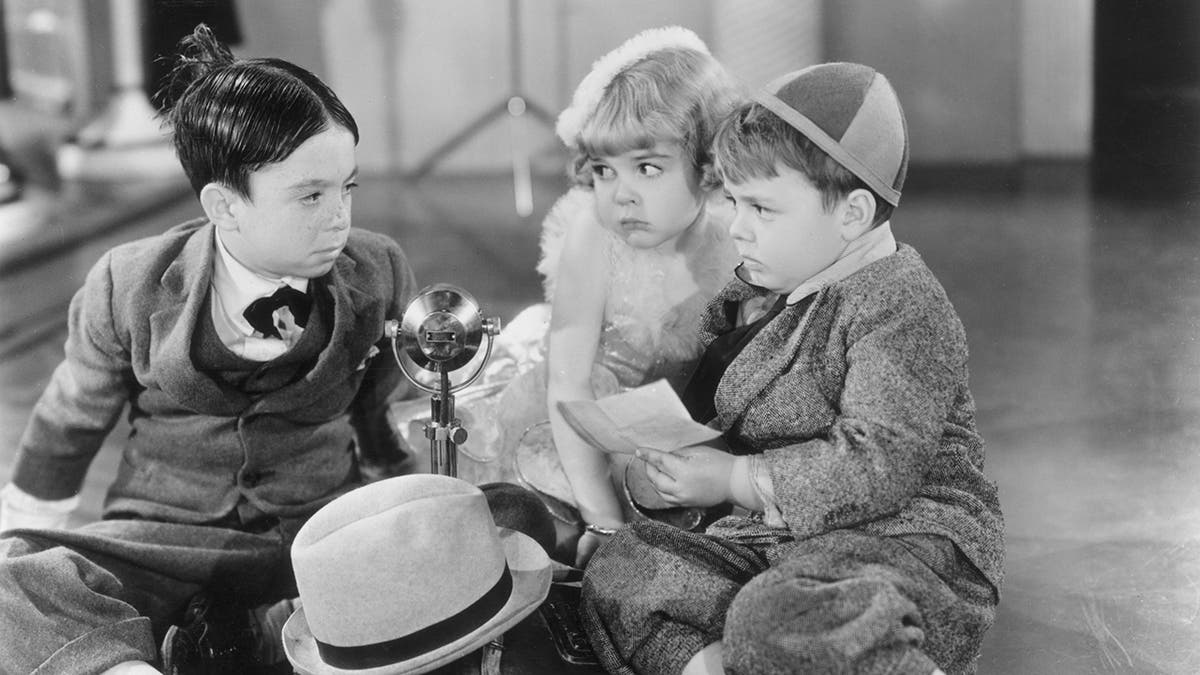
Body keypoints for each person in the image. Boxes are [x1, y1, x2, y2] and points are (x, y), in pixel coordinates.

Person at [0, 24, 419, 674]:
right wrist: (20, 527)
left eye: (349, 187)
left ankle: (248, 631)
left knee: (442, 560)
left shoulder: (377, 269)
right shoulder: (129, 280)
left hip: (314, 528)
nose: (340, 214)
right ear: (224, 206)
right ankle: (160, 657)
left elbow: (379, 400)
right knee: (15, 584)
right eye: (311, 194)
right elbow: (70, 417)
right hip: (166, 532)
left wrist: (402, 492)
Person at [579, 63, 1005, 675]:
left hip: (899, 546)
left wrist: (731, 481)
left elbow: (877, 463)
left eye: (762, 208)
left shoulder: (899, 300)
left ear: (853, 214)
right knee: (623, 566)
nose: (737, 227)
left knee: (773, 616)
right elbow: (705, 417)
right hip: (778, 546)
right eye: (731, 201)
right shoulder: (753, 292)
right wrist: (660, 472)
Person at [390, 26, 742, 567]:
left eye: (647, 167)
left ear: (707, 164)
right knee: (531, 532)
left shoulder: (737, 240)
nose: (621, 194)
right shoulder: (595, 236)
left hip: (662, 429)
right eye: (603, 170)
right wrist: (603, 515)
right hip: (565, 414)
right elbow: (568, 385)